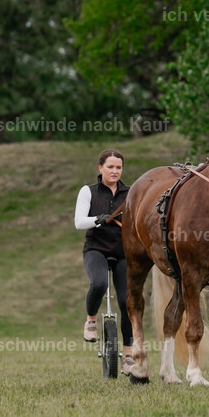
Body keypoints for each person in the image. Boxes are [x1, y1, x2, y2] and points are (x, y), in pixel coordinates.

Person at [74, 149, 134, 375]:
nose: (115, 171)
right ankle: (90, 321)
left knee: (127, 300)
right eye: (110, 167)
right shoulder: (88, 191)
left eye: (119, 167)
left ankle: (128, 355)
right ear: (100, 168)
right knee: (99, 283)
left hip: (123, 251)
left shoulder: (130, 192)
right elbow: (79, 222)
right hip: (96, 249)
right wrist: (96, 219)